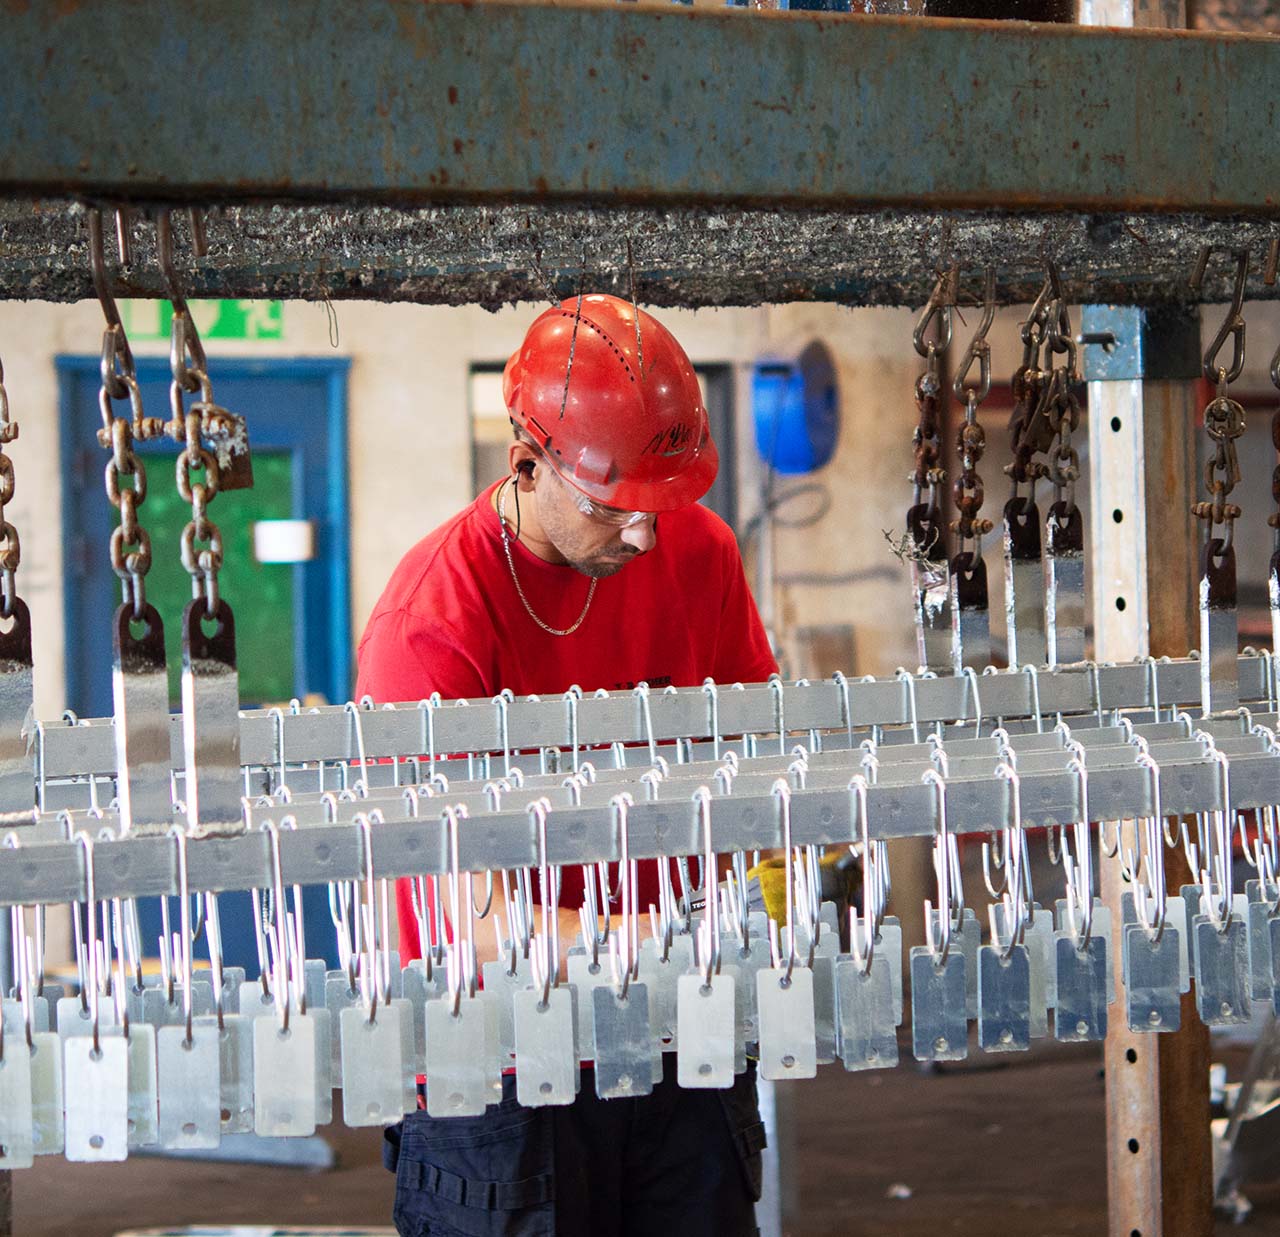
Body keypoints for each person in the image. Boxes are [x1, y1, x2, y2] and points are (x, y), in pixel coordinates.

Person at [356, 293, 778, 1237]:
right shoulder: (432, 623)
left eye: (666, 505)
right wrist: (651, 938)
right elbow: (470, 920)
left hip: (680, 1043)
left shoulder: (698, 553)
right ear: (524, 462)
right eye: (616, 507)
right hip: (501, 1069)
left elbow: (755, 763)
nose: (645, 536)